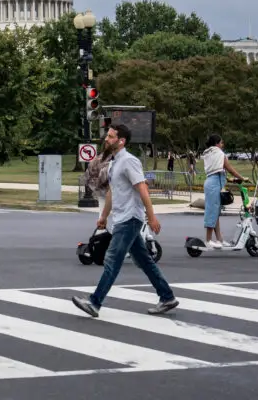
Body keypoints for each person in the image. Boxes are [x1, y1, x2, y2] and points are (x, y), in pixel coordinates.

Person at [71, 124, 178, 318]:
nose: (106, 139)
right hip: (121, 217)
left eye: (111, 136)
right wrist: (103, 216)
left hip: (130, 218)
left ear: (121, 141)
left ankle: (95, 303)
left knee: (112, 260)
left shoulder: (129, 161)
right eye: (107, 136)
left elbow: (142, 188)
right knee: (144, 260)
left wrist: (151, 216)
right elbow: (112, 191)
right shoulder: (113, 163)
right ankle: (167, 297)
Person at [200, 134, 245, 248]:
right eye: (221, 143)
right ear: (217, 143)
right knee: (212, 211)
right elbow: (229, 168)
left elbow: (216, 170)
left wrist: (229, 179)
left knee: (215, 212)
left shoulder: (209, 153)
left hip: (211, 181)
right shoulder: (219, 154)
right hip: (214, 184)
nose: (222, 145)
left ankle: (219, 239)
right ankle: (208, 240)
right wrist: (241, 178)